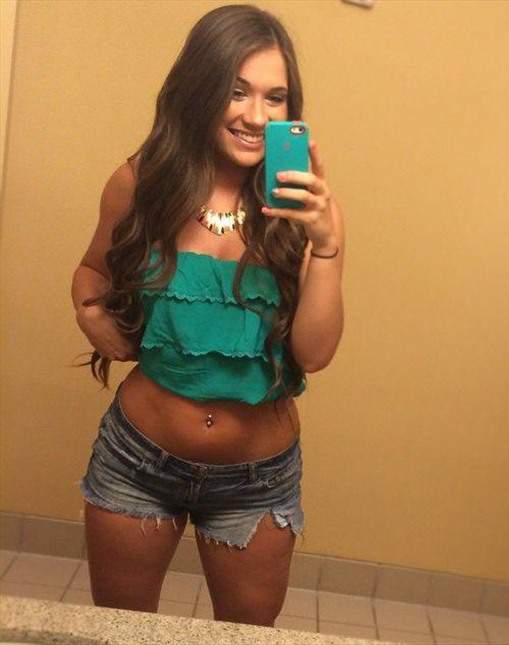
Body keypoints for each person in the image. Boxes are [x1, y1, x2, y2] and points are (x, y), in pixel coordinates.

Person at [70, 4, 344, 628]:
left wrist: (327, 247)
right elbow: (92, 271)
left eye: (275, 97)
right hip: (137, 460)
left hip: (258, 479)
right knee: (123, 634)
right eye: (237, 91)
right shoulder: (141, 182)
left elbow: (315, 354)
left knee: (246, 639)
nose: (257, 116)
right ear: (199, 87)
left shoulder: (306, 208)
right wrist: (90, 313)